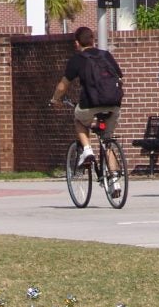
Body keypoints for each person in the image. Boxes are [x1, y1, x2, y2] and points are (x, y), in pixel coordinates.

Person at [50, 26, 124, 196]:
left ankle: (87, 150)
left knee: (79, 120)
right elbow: (120, 77)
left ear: (77, 43)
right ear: (93, 40)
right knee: (107, 140)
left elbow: (63, 86)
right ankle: (115, 182)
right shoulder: (106, 55)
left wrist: (55, 99)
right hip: (113, 104)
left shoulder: (77, 59)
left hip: (90, 103)